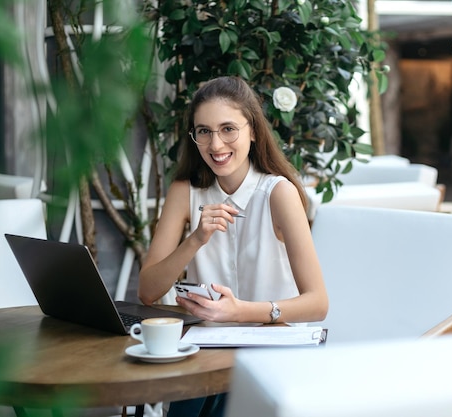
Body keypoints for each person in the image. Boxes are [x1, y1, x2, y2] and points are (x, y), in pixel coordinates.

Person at [138, 76, 328, 417]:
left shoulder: (278, 193)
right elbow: (148, 291)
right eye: (204, 131)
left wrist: (238, 312)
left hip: (274, 354)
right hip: (207, 352)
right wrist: (195, 238)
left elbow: (317, 304)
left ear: (252, 131)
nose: (216, 144)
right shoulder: (186, 191)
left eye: (228, 129)